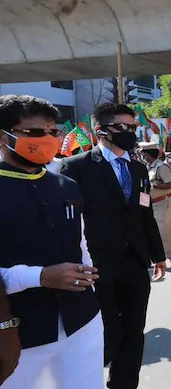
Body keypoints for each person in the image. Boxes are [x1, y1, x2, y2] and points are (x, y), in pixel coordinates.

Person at [60, 102, 167, 389]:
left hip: (134, 260)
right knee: (106, 332)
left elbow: (145, 214)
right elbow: (67, 220)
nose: (130, 132)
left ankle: (124, 384)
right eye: (123, 127)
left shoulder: (138, 169)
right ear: (101, 131)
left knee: (135, 331)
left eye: (133, 127)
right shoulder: (76, 166)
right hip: (96, 264)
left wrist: (158, 255)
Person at [0, 94, 103, 388]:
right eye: (34, 133)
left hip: (81, 321)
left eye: (52, 132)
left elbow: (80, 245)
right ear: (2, 138)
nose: (46, 139)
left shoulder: (65, 185)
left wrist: (90, 283)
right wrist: (40, 277)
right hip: (18, 331)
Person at [138, 141, 171, 269]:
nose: (142, 156)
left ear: (148, 154)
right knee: (148, 231)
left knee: (164, 231)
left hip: (162, 202)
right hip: (149, 203)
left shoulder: (161, 167)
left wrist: (156, 185)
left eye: (143, 154)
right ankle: (151, 257)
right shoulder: (147, 167)